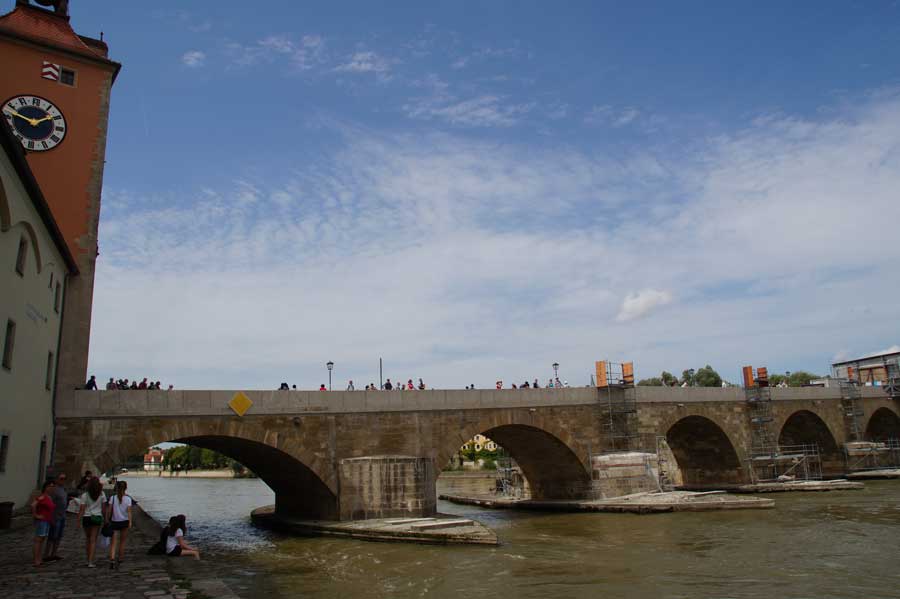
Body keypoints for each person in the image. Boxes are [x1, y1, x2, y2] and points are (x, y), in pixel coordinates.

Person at [77, 477, 105, 568]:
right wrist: (106, 519)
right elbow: (104, 508)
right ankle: (91, 561)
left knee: (88, 539)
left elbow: (82, 509)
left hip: (87, 517)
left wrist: (78, 520)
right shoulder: (101, 494)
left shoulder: (85, 495)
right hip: (97, 517)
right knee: (93, 540)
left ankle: (87, 558)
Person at [106, 480, 133, 569]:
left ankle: (112, 558)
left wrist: (107, 519)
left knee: (113, 542)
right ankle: (120, 557)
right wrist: (130, 522)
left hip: (114, 522)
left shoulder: (112, 498)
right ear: (126, 488)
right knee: (122, 541)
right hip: (124, 522)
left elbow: (109, 510)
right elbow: (129, 512)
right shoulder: (128, 499)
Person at [31, 480, 56, 567]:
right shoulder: (42, 497)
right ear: (46, 487)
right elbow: (33, 505)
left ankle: (39, 558)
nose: (52, 488)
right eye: (50, 486)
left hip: (47, 521)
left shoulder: (49, 497)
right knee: (38, 540)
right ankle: (36, 560)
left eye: (53, 486)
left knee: (42, 540)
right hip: (42, 521)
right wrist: (36, 515)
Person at [44, 473, 68, 562]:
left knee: (59, 536)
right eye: (61, 478)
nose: (63, 480)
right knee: (52, 536)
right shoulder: (53, 490)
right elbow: (49, 502)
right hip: (55, 516)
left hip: (62, 516)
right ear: (57, 479)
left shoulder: (64, 489)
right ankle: (46, 555)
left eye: (65, 478)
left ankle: (54, 553)